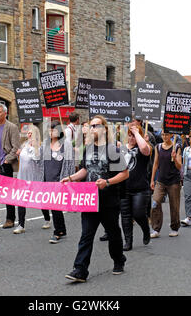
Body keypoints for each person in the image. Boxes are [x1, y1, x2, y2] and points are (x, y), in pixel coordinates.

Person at [63, 115, 129, 282]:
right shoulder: (89, 149)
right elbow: (85, 170)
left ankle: (118, 259)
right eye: (91, 126)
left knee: (113, 234)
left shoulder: (112, 150)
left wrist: (107, 182)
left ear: (105, 129)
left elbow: (124, 173)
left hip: (108, 200)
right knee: (86, 235)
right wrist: (71, 178)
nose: (93, 129)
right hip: (89, 199)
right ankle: (80, 270)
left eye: (97, 125)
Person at [41, 120, 75, 244]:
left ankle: (58, 232)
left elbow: (70, 164)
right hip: (47, 180)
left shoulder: (66, 145)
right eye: (49, 130)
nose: (51, 132)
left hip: (59, 180)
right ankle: (62, 229)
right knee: (52, 206)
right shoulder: (45, 144)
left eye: (53, 130)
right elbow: (41, 162)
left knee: (55, 206)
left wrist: (68, 180)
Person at [120, 124, 152, 251]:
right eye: (129, 135)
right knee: (125, 216)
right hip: (124, 188)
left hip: (140, 188)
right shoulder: (122, 148)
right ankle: (128, 241)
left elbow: (144, 148)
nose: (131, 138)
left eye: (133, 135)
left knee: (139, 214)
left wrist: (137, 133)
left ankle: (145, 229)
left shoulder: (144, 148)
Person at [0, 102, 20, 228]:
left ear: (5, 113)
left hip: (5, 164)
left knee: (7, 193)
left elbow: (16, 146)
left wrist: (7, 159)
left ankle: (10, 219)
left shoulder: (12, 127)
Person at [13, 125, 46, 234]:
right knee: (21, 201)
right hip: (22, 178)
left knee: (41, 201)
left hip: (34, 178)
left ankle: (47, 219)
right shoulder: (24, 145)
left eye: (32, 132)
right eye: (28, 132)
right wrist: (19, 153)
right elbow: (22, 160)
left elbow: (37, 159)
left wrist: (34, 146)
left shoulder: (39, 147)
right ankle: (21, 225)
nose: (29, 134)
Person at [150, 130, 182, 238]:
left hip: (173, 181)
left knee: (174, 205)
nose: (164, 137)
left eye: (166, 135)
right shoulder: (158, 147)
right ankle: (156, 228)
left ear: (171, 135)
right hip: (160, 180)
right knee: (155, 203)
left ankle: (174, 227)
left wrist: (175, 158)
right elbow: (155, 164)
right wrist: (152, 180)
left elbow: (179, 166)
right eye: (163, 135)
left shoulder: (176, 147)